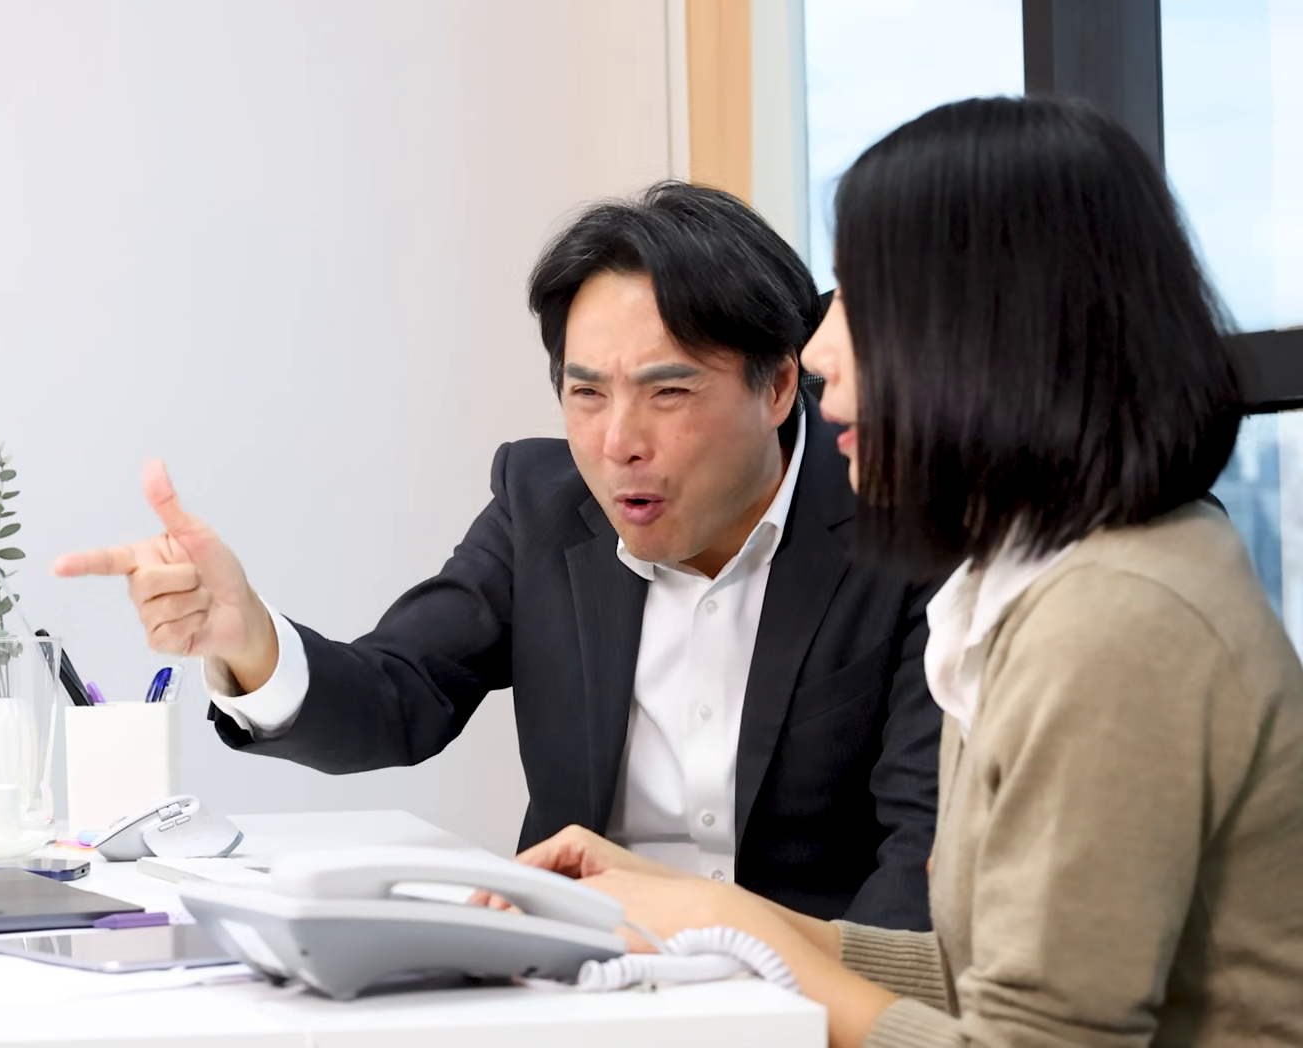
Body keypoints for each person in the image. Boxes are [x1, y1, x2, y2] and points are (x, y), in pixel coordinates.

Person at [516, 96, 1303, 1047]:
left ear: (996, 334)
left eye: (861, 298)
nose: (818, 352)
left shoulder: (1115, 618)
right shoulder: (1042, 582)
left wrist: (763, 956)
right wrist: (707, 912)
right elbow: (982, 973)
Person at [56, 182, 943, 929]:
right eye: (585, 393)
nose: (619, 443)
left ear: (779, 384)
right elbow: (399, 694)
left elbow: (919, 874)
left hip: (809, 1003)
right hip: (579, 984)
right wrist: (247, 635)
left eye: (667, 392)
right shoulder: (543, 504)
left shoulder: (905, 528)